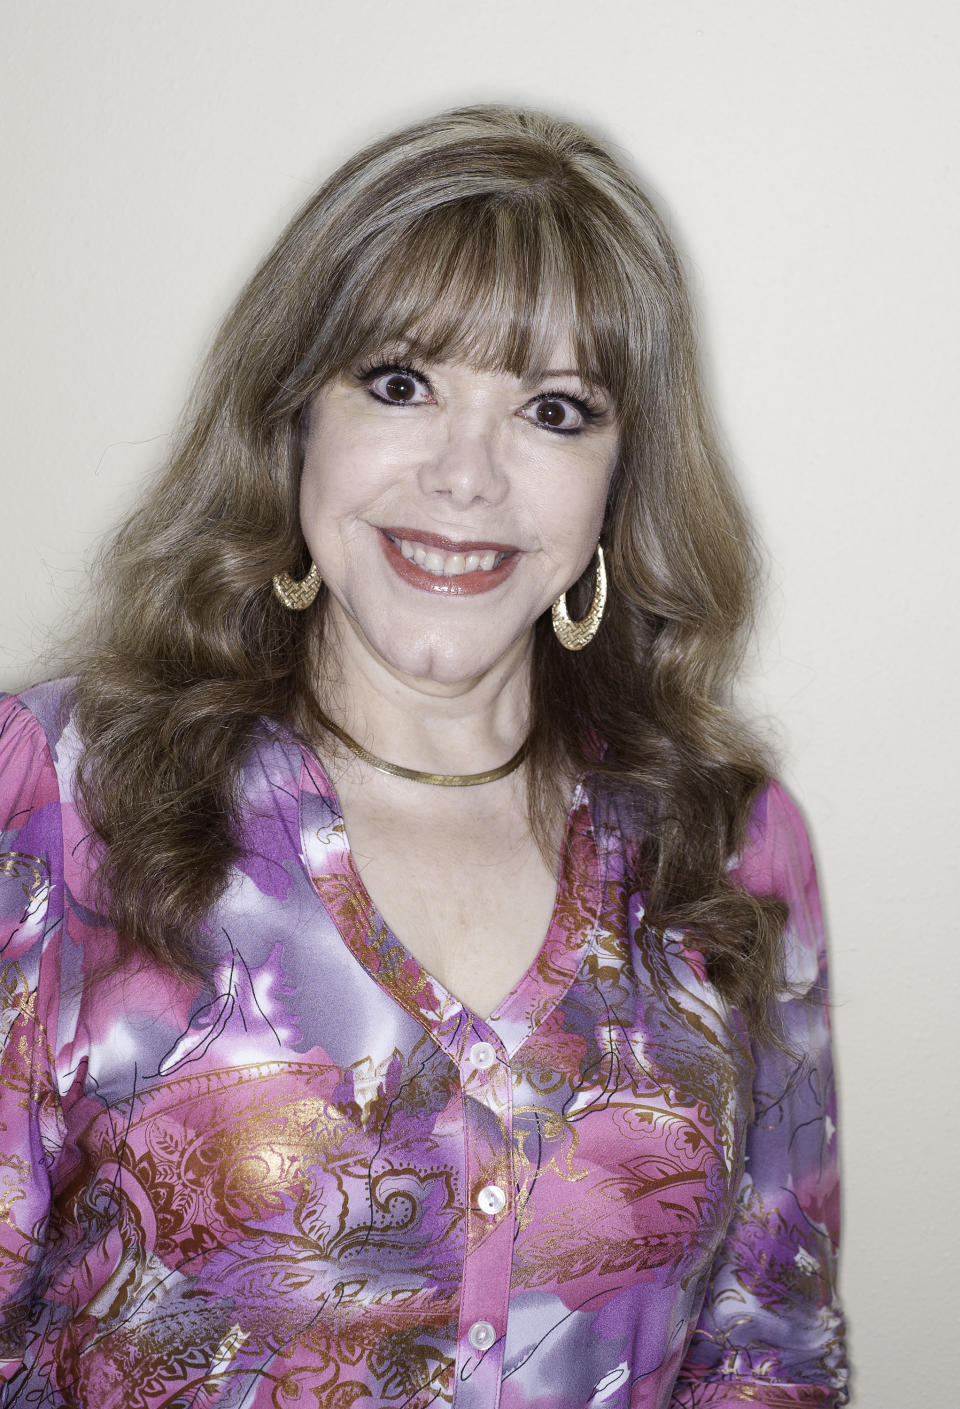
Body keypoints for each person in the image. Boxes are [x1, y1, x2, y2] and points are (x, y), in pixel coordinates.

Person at [0, 105, 848, 1407]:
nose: (467, 475)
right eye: (401, 384)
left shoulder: (729, 848)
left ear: (621, 485)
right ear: (292, 421)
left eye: (554, 411)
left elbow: (772, 1347)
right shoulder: (64, 792)